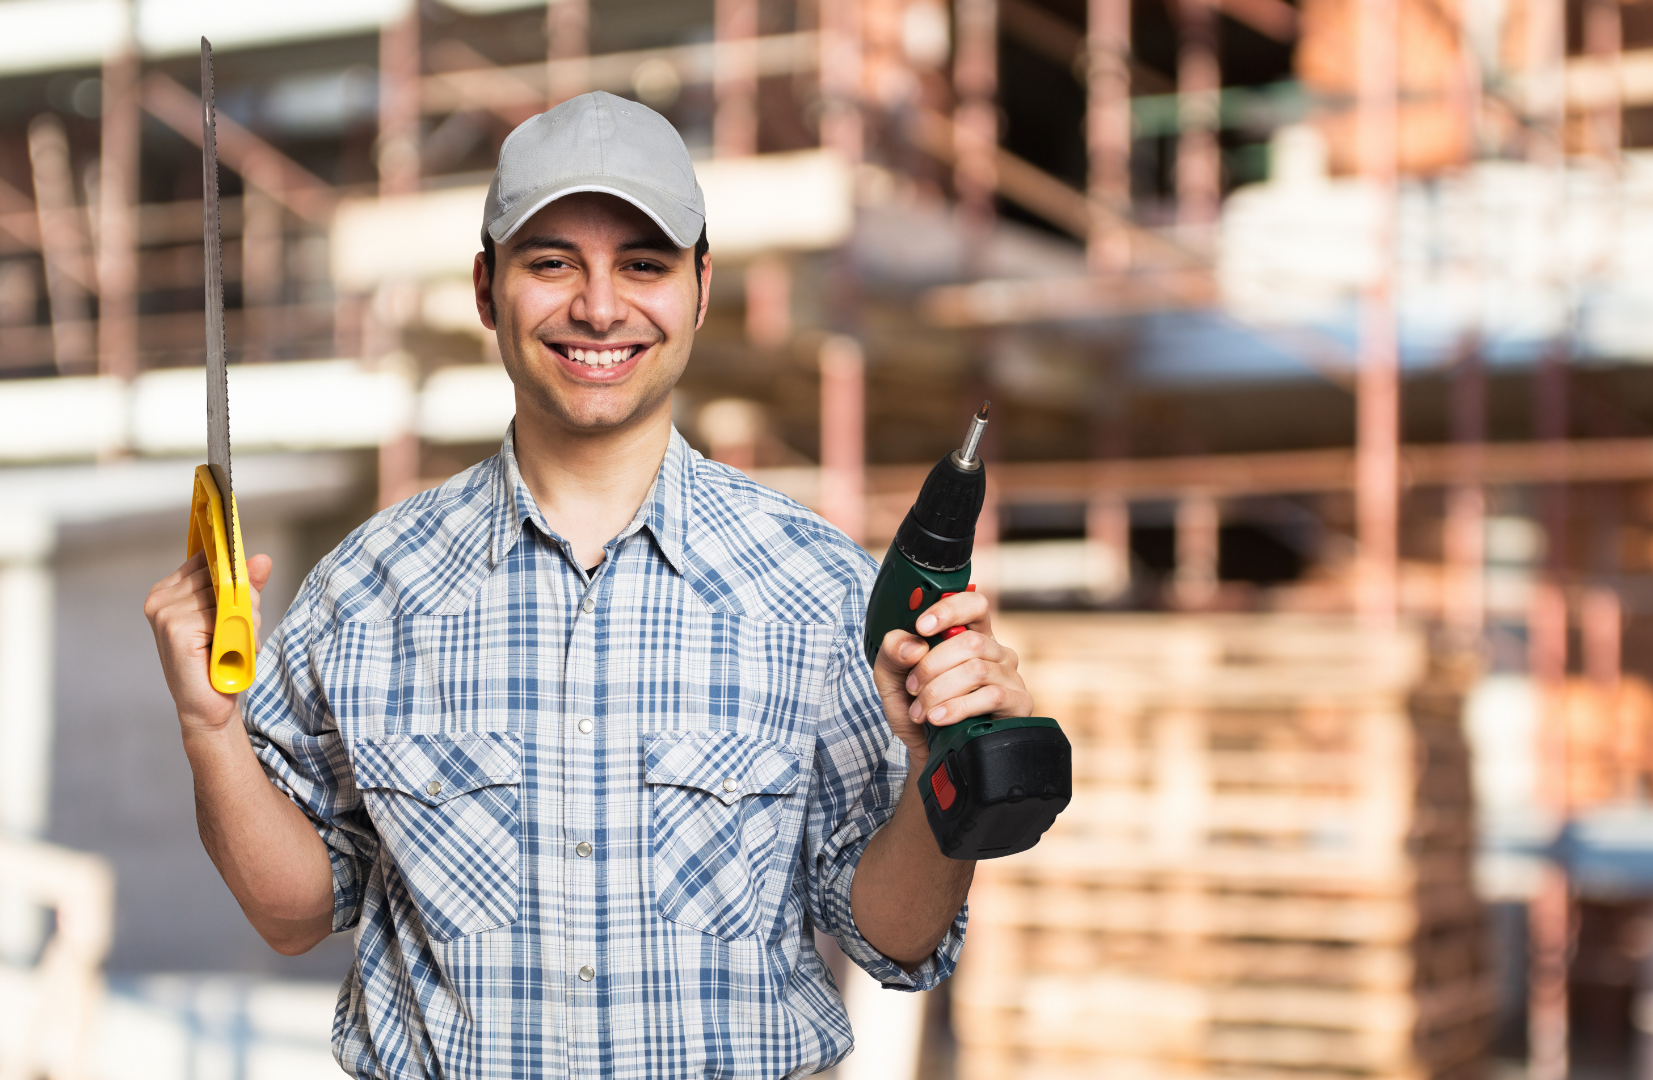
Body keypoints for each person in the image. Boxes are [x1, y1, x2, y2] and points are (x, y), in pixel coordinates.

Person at [142, 91, 1033, 1078]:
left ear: (698, 289)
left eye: (642, 264)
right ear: (487, 290)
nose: (600, 306)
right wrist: (211, 732)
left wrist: (932, 773)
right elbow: (293, 913)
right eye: (551, 262)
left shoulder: (819, 590)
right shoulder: (366, 590)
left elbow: (894, 940)